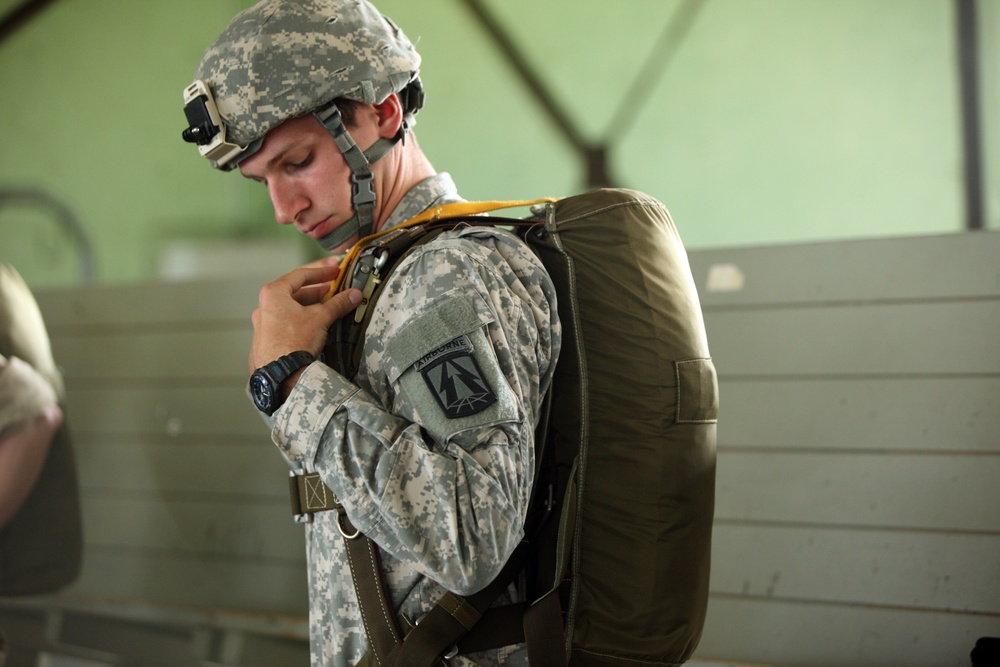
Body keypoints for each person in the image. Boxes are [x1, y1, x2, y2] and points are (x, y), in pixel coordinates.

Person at [181, 1, 560, 665]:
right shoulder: (386, 274)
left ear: (384, 112)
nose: (281, 208)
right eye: (262, 179)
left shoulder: (448, 274)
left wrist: (291, 381)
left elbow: (471, 533)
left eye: (295, 162)